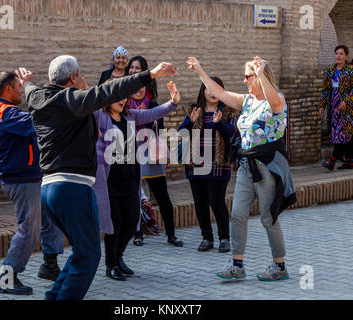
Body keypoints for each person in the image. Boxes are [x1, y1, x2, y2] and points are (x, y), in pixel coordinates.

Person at [17, 55, 177, 299]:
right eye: (80, 75)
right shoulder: (72, 100)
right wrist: (150, 75)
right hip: (72, 187)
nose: (83, 79)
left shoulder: (38, 97)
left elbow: (30, 90)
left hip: (49, 189)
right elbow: (110, 90)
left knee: (81, 251)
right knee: (90, 257)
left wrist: (28, 82)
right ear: (72, 77)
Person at [187, 56, 296, 281]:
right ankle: (237, 265)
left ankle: (280, 266)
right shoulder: (247, 101)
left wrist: (262, 73)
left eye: (248, 76)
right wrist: (200, 70)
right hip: (246, 167)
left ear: (260, 77)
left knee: (268, 218)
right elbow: (219, 92)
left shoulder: (277, 101)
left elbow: (274, 101)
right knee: (237, 215)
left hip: (267, 168)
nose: (244, 80)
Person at [93, 81, 180, 281]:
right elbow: (84, 108)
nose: (123, 100)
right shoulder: (100, 116)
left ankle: (119, 257)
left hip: (130, 179)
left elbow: (153, 114)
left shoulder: (130, 116)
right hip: (110, 181)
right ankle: (111, 265)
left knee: (132, 220)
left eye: (125, 96)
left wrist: (172, 103)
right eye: (119, 96)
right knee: (115, 223)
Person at [0, 71, 65, 295]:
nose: (22, 92)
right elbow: (36, 122)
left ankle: (50, 266)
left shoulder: (6, 111)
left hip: (30, 176)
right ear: (8, 89)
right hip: (20, 179)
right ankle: (7, 278)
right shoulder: (5, 112)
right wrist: (49, 99)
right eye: (20, 88)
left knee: (50, 217)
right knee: (28, 228)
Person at [125, 55, 183, 248]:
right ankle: (137, 232)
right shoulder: (124, 107)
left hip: (150, 152)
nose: (139, 89)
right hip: (130, 152)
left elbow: (161, 126)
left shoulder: (152, 104)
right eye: (131, 68)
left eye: (142, 86)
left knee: (162, 194)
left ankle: (171, 234)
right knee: (134, 195)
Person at [178, 77, 236, 253]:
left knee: (216, 201)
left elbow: (231, 136)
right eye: (208, 88)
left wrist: (219, 124)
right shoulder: (194, 110)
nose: (212, 93)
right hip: (196, 163)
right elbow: (182, 133)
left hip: (218, 165)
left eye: (216, 88)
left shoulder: (228, 112)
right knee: (200, 202)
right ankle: (207, 238)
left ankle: (224, 238)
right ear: (203, 91)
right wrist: (190, 120)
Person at [319, 45, 353, 170]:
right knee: (341, 134)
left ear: (346, 56)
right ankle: (349, 161)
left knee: (340, 133)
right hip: (334, 107)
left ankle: (332, 162)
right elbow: (326, 89)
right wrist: (322, 105)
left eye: (341, 54)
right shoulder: (331, 70)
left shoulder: (351, 70)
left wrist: (346, 101)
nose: (338, 56)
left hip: (348, 109)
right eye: (336, 53)